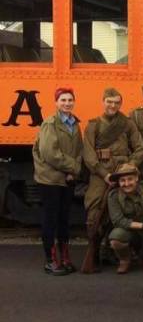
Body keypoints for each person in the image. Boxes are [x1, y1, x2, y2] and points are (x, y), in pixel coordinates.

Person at [32, 87, 83, 275]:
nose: (67, 103)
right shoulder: (50, 124)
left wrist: (73, 171)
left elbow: (79, 150)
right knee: (51, 218)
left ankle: (64, 257)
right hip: (51, 179)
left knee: (64, 219)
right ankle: (50, 259)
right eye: (63, 100)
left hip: (67, 178)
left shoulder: (74, 124)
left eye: (70, 100)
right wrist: (74, 168)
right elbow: (50, 153)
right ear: (56, 103)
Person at [83, 88, 143, 238]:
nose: (113, 106)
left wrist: (129, 168)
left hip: (123, 172)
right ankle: (95, 245)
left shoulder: (127, 123)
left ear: (120, 104)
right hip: (101, 172)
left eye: (116, 102)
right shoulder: (93, 125)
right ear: (103, 102)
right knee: (95, 206)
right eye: (109, 102)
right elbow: (89, 154)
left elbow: (140, 148)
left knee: (128, 205)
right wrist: (104, 174)